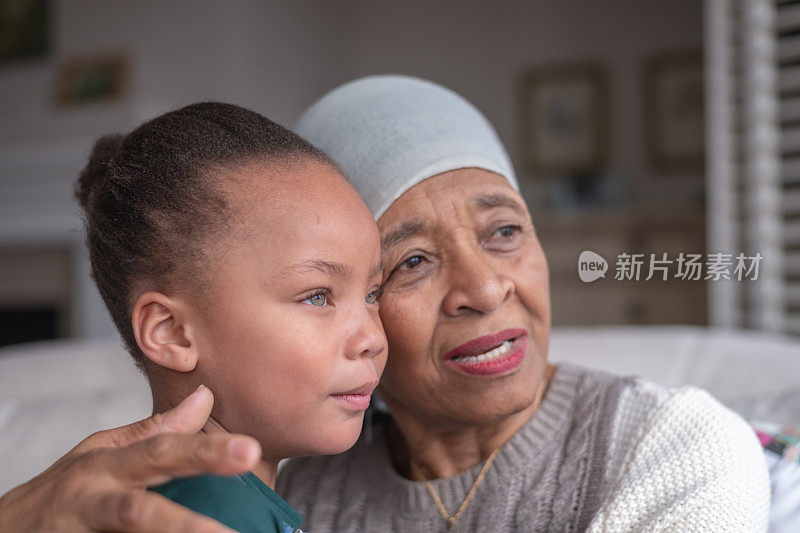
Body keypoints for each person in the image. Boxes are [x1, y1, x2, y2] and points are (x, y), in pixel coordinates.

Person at [0, 78, 770, 532]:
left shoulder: (679, 442)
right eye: (410, 263)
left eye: (504, 230)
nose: (483, 287)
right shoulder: (283, 477)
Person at [73, 102, 387, 532]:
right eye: (318, 297)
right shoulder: (212, 513)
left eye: (373, 293)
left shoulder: (216, 495)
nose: (372, 337)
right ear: (173, 333)